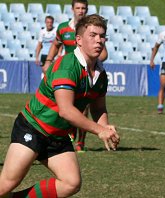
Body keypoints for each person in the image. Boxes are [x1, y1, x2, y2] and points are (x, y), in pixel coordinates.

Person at [0, 14, 120, 197]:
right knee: (6, 185)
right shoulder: (67, 65)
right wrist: (98, 130)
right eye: (93, 35)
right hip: (33, 127)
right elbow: (66, 111)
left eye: (102, 36)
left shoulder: (100, 74)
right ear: (78, 40)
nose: (99, 40)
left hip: (58, 135)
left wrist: (105, 126)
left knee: (71, 183)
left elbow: (98, 108)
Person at [44, 0, 108, 152]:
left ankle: (80, 141)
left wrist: (91, 62)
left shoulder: (94, 31)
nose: (81, 11)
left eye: (83, 8)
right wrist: (48, 60)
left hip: (84, 74)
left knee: (83, 107)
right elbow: (56, 45)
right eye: (78, 8)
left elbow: (104, 54)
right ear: (72, 9)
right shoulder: (63, 28)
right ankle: (66, 130)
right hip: (67, 73)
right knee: (65, 107)